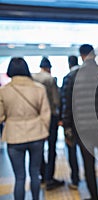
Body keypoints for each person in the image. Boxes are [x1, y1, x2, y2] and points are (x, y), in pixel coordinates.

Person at [61, 44, 98, 200]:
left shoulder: (71, 77)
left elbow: (67, 106)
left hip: (81, 128)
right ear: (94, 54)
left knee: (88, 163)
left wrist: (67, 129)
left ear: (81, 56)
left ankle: (94, 196)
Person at [0, 57, 50, 200]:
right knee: (35, 173)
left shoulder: (3, 91)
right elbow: (45, 114)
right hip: (36, 135)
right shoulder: (39, 89)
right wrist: (43, 129)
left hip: (14, 137)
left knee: (19, 177)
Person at [32, 57, 64, 190]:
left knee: (39, 148)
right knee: (51, 149)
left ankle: (43, 174)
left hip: (36, 117)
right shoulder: (50, 79)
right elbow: (56, 101)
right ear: (49, 68)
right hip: (50, 117)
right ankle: (49, 178)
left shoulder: (32, 78)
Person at [60, 55, 80, 190]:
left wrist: (66, 124)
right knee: (87, 155)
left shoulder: (68, 78)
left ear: (68, 64)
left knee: (72, 151)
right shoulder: (87, 77)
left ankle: (75, 179)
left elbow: (66, 103)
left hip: (73, 123)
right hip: (88, 124)